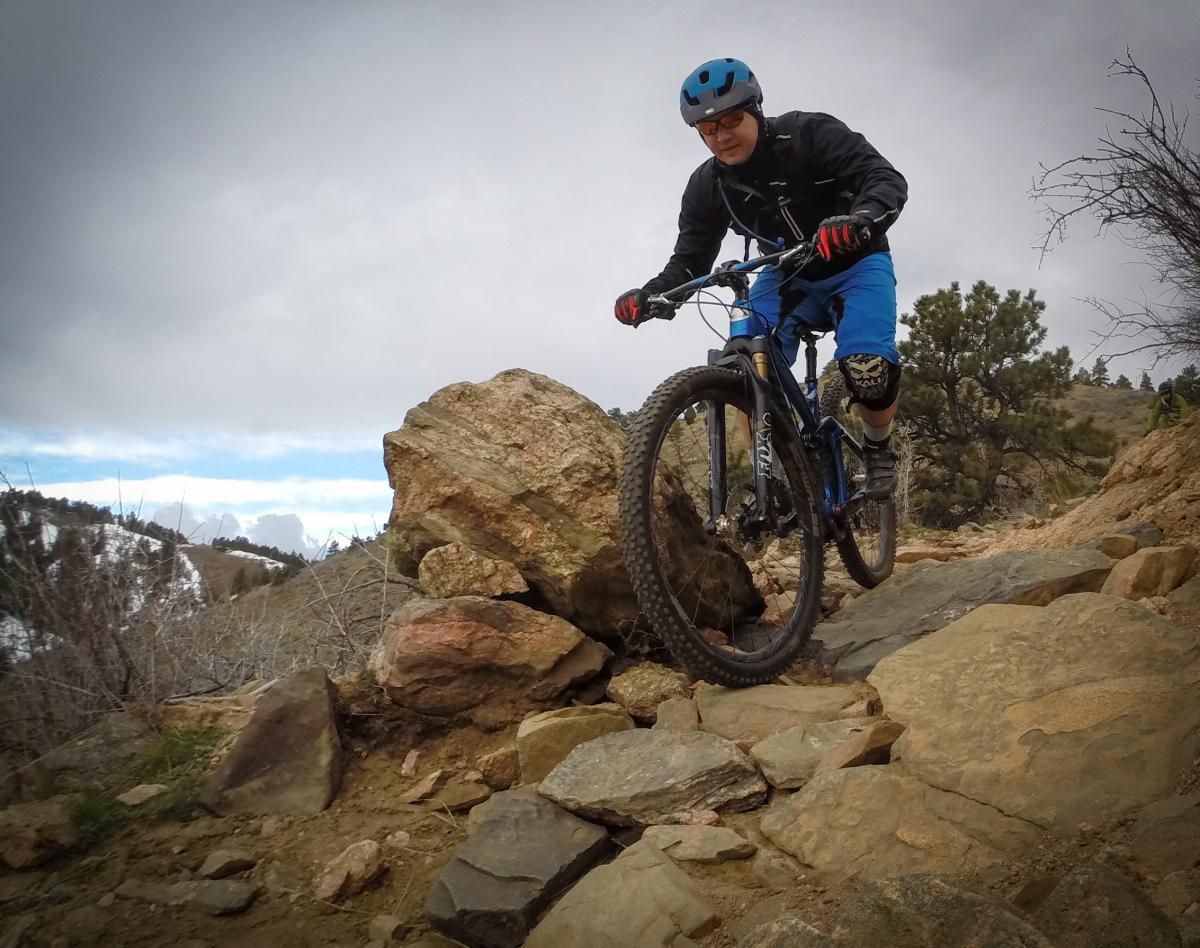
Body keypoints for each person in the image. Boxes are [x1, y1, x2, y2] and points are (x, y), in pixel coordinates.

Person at [614, 58, 908, 499]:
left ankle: (878, 449)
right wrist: (652, 294)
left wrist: (859, 219)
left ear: (755, 110)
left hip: (856, 263)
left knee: (867, 367)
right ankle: (775, 481)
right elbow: (690, 258)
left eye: (731, 120)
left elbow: (882, 178)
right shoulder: (708, 186)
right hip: (785, 274)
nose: (721, 135)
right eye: (708, 129)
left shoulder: (810, 133)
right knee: (744, 371)